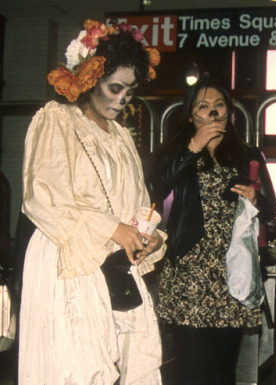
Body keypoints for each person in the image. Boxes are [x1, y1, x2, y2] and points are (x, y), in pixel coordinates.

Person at [19, 20, 166, 385]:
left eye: (129, 92)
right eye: (114, 88)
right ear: (88, 80)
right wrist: (111, 228)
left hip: (115, 266)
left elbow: (138, 204)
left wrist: (150, 236)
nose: (121, 100)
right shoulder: (56, 119)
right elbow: (42, 197)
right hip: (68, 259)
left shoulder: (120, 136)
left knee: (124, 364)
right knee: (76, 366)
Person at [147, 77, 276, 384]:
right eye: (203, 106)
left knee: (223, 369)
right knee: (191, 367)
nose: (213, 113)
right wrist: (194, 145)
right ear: (190, 114)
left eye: (219, 105)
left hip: (234, 270)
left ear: (229, 112)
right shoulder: (179, 151)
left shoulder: (248, 154)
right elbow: (156, 185)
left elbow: (272, 208)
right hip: (190, 270)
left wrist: (255, 198)